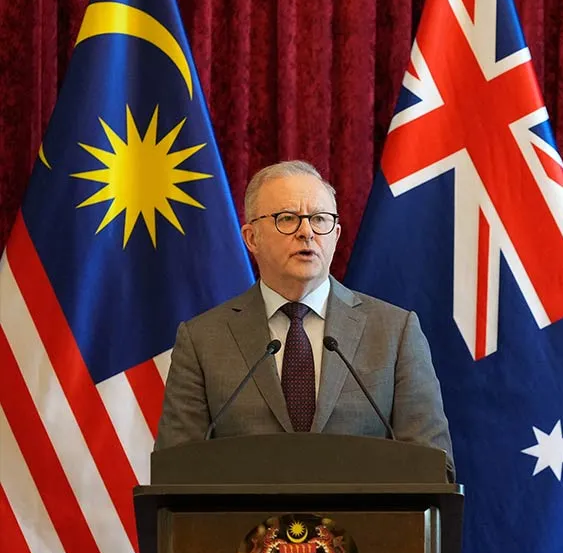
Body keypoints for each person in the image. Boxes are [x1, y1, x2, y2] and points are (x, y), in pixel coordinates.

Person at [156, 160, 454, 477]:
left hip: (366, 524)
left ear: (336, 235)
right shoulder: (202, 340)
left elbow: (435, 468)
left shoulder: (395, 332)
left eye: (320, 219)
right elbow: (175, 471)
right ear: (251, 238)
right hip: (244, 526)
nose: (307, 232)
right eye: (287, 219)